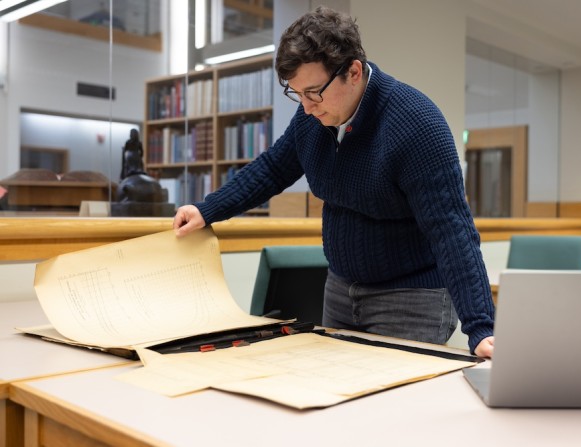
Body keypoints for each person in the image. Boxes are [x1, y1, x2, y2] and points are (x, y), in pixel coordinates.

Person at [174, 6, 495, 358]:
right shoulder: (314, 117)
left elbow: (452, 230)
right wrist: (207, 210)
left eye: (314, 93)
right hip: (340, 290)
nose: (307, 107)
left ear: (353, 72)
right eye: (296, 94)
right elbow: (272, 169)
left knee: (392, 406)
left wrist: (480, 327)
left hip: (411, 300)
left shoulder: (417, 124)